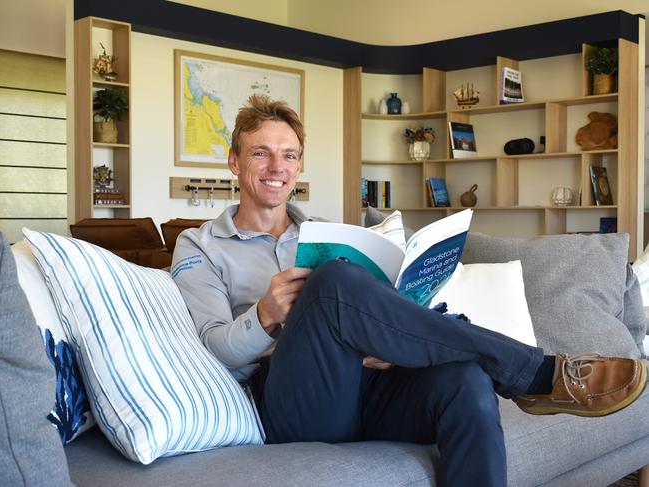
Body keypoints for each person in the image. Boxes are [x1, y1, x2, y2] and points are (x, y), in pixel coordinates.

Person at [172, 94, 646, 486]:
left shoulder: (325, 232)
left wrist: (385, 339)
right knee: (334, 281)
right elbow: (212, 351)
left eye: (289, 155)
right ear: (235, 161)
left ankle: (499, 367)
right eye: (261, 152)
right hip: (292, 401)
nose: (277, 165)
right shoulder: (201, 245)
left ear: (298, 167)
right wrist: (266, 314)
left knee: (466, 380)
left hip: (367, 384)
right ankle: (533, 371)